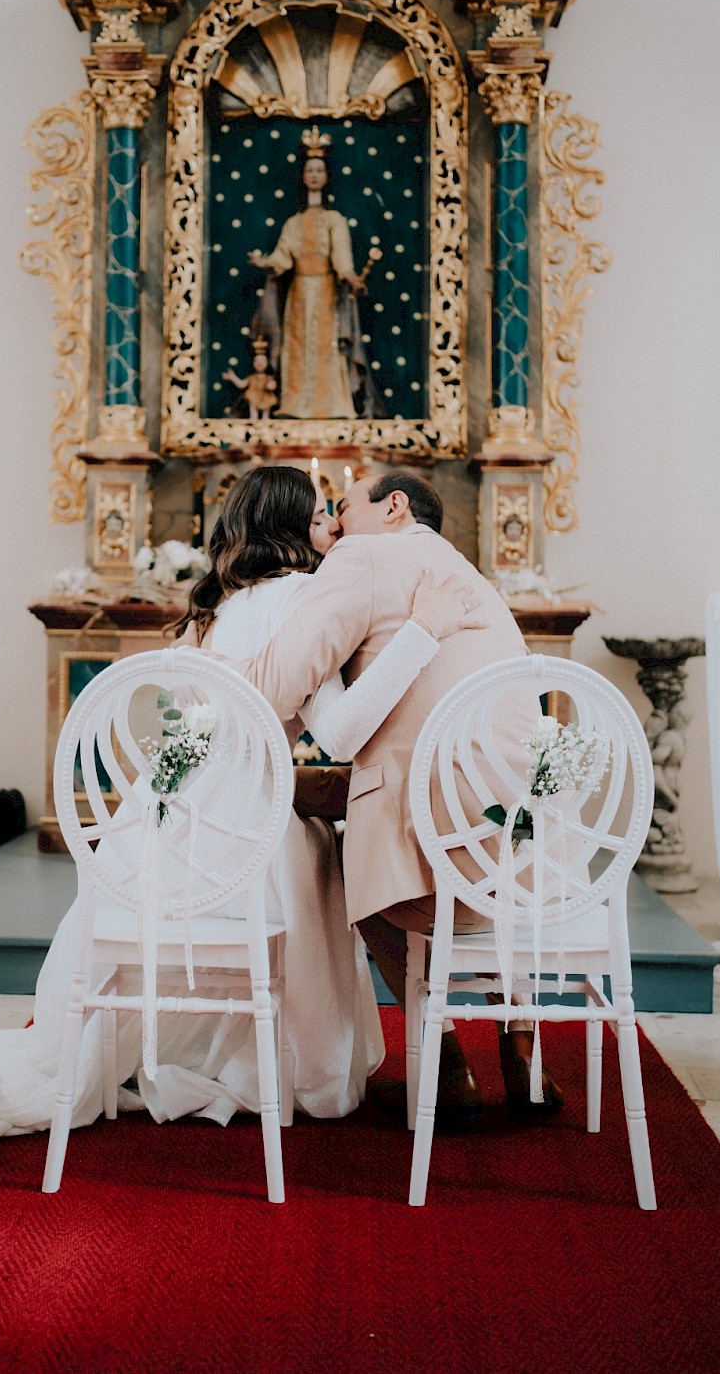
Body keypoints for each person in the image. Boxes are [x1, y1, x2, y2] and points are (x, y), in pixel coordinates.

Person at [0, 468, 473, 1174]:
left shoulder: (213, 608)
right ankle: (294, 1058)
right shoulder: (307, 597)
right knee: (324, 853)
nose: (335, 525)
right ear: (297, 525)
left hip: (164, 823)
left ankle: (188, 1044)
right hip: (244, 834)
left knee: (308, 845)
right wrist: (422, 633)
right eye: (323, 514)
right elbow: (336, 732)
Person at [238, 470, 565, 1121]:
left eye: (343, 506)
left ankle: (444, 1063)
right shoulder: (468, 574)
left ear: (394, 506)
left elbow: (273, 688)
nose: (335, 524)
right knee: (408, 821)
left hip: (434, 835)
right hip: (526, 845)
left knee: (347, 869)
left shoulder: (361, 556)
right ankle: (521, 1041)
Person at [248, 132, 364, 420]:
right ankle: (296, 403)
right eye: (309, 170)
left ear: (326, 176)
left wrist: (350, 276)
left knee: (327, 346)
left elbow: (342, 259)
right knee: (297, 346)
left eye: (319, 170)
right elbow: (283, 257)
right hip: (299, 293)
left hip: (325, 291)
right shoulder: (294, 223)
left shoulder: (334, 220)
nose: (314, 175)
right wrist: (265, 262)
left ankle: (332, 405)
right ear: (302, 176)